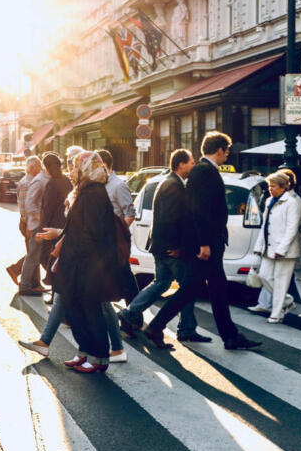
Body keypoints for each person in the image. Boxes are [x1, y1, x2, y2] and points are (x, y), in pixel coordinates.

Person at [141, 132, 261, 351]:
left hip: (208, 242)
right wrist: (205, 243)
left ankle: (230, 336)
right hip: (206, 244)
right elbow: (200, 209)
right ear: (219, 150)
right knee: (194, 288)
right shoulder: (205, 171)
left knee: (215, 288)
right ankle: (156, 326)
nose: (227, 156)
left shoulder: (203, 171)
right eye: (226, 151)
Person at [23, 151, 122, 372]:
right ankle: (85, 351)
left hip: (88, 264)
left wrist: (69, 251)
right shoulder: (85, 191)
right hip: (78, 261)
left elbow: (89, 233)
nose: (72, 171)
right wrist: (59, 237)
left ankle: (98, 358)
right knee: (76, 310)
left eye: (76, 167)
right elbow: (76, 228)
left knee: (90, 311)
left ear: (87, 169)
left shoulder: (94, 194)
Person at [117, 149, 208, 342]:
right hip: (170, 248)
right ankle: (186, 329)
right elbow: (169, 218)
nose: (193, 166)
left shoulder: (167, 182)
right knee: (187, 287)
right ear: (181, 164)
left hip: (160, 245)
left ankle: (129, 312)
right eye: (191, 163)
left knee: (161, 283)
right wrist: (176, 246)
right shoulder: (174, 185)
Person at [97, 149, 136, 363]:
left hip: (114, 243)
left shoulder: (118, 185)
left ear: (105, 163)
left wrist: (116, 233)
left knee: (126, 283)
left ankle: (132, 320)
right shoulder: (98, 184)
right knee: (122, 282)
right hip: (103, 245)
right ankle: (132, 319)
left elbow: (129, 213)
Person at [252, 172, 301, 323]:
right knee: (264, 276)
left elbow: (292, 228)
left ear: (283, 187)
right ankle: (287, 301)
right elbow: (265, 226)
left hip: (285, 251)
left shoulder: (292, 203)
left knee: (281, 281)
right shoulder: (270, 201)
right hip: (269, 247)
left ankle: (276, 313)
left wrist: (281, 249)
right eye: (269, 186)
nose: (270, 189)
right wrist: (258, 246)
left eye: (273, 186)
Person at [7, 156, 51, 295]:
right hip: (29, 222)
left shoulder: (28, 180)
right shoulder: (29, 182)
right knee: (33, 253)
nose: (41, 168)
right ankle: (19, 274)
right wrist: (27, 224)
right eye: (39, 165)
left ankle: (35, 283)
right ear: (32, 168)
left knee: (35, 252)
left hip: (28, 221)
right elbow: (25, 206)